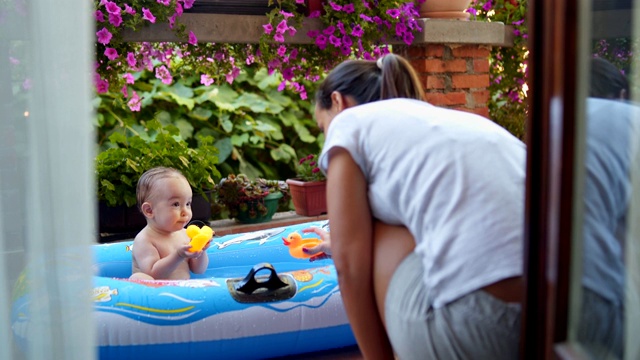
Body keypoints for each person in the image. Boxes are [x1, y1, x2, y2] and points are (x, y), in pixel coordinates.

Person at [303, 53, 526, 359]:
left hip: (485, 325)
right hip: (574, 318)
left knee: (380, 232)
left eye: (322, 126)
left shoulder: (349, 124)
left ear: (338, 103)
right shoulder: (446, 121)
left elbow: (349, 265)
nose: (326, 138)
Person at [129, 167, 210, 280]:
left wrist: (201, 251)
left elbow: (198, 270)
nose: (185, 211)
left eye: (188, 203)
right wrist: (178, 255)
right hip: (156, 294)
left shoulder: (185, 234)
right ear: (149, 210)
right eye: (176, 204)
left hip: (181, 292)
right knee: (138, 278)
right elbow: (153, 274)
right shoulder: (145, 240)